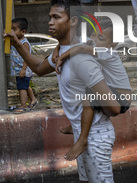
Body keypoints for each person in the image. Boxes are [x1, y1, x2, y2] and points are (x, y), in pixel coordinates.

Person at [4, 0, 121, 183]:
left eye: (56, 17)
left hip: (95, 134)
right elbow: (40, 69)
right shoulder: (63, 50)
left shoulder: (82, 57)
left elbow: (114, 108)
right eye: (50, 17)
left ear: (73, 20)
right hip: (81, 131)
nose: (50, 22)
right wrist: (17, 43)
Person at [52, 20, 132, 161]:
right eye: (93, 35)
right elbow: (76, 43)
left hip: (121, 98)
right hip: (111, 92)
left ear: (112, 45)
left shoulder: (109, 52)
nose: (93, 40)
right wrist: (57, 48)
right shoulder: (95, 44)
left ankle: (82, 139)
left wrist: (62, 57)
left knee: (87, 96)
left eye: (100, 38)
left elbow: (80, 49)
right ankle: (76, 125)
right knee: (87, 89)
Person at [9, 18, 38, 114]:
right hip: (18, 69)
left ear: (23, 31)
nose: (11, 31)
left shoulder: (24, 43)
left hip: (23, 69)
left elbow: (27, 58)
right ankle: (33, 100)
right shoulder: (15, 41)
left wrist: (23, 69)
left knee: (22, 87)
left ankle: (23, 105)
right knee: (25, 85)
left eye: (14, 29)